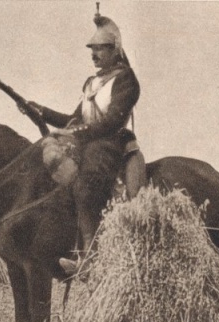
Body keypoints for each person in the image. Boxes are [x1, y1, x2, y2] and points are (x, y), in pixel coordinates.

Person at [28, 13, 147, 275]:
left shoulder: (126, 79)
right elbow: (75, 119)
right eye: (91, 50)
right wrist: (41, 111)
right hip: (90, 141)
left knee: (85, 183)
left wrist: (76, 134)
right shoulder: (91, 83)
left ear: (114, 50)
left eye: (99, 49)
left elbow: (112, 121)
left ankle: (89, 258)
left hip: (110, 143)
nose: (93, 54)